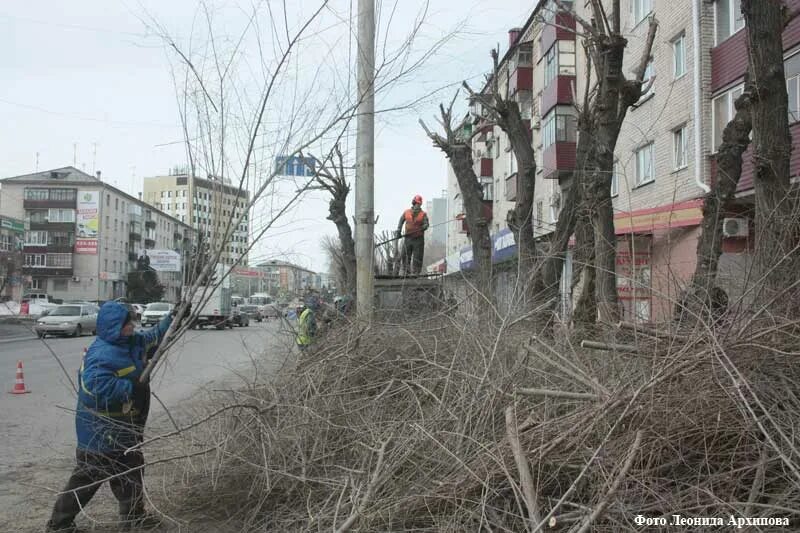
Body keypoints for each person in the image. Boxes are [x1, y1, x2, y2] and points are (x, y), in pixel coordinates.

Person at [46, 301, 182, 532]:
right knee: (87, 479)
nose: (132, 326)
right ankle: (59, 525)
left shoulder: (130, 342)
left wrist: (174, 317)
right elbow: (94, 390)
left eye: (131, 322)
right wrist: (130, 388)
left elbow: (154, 336)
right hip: (100, 430)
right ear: (114, 327)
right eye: (127, 323)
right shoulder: (102, 355)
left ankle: (134, 518)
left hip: (124, 426)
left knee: (131, 471)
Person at [396, 194, 430, 276]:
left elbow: (426, 224)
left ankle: (416, 273)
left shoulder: (423, 214)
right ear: (413, 203)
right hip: (408, 238)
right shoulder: (406, 212)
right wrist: (398, 231)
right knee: (405, 255)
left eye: (419, 204)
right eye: (416, 204)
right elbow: (401, 221)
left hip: (418, 239)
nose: (418, 206)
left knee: (417, 257)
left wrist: (423, 227)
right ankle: (406, 272)